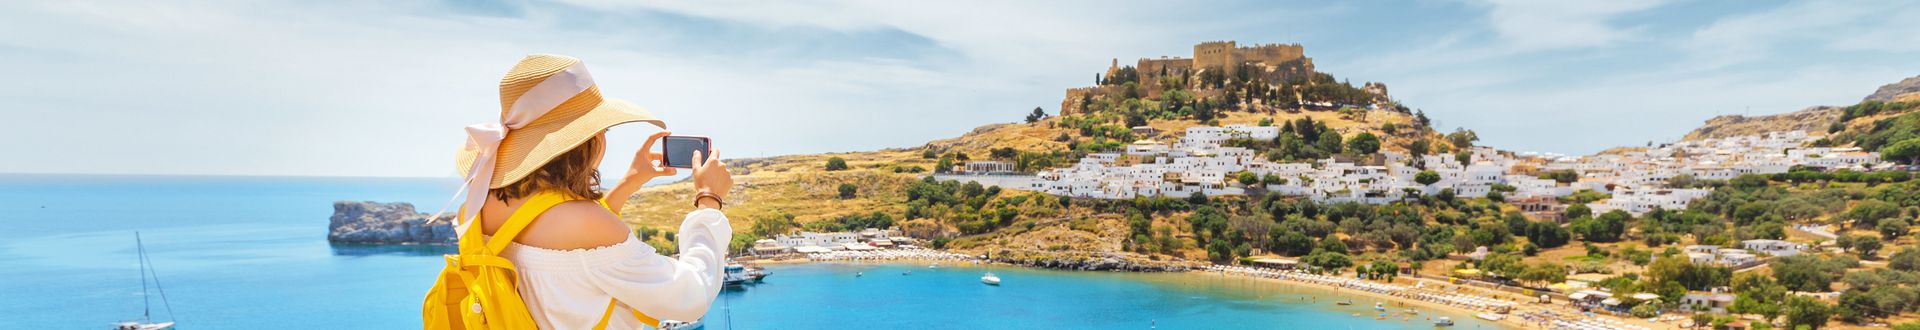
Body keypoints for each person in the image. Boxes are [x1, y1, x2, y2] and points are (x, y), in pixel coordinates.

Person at [453, 54, 733, 329]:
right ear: (592, 140)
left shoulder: (478, 205)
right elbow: (690, 296)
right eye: (603, 131)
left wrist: (628, 183)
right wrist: (709, 200)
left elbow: (571, 250)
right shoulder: (585, 224)